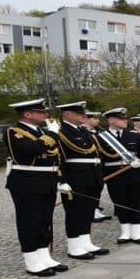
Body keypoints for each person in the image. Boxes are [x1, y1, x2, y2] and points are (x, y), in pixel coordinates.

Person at [4, 99, 68, 276]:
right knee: (29, 221)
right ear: (27, 114)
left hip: (46, 180)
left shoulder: (41, 131)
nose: (45, 115)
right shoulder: (14, 132)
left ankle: (44, 256)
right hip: (26, 182)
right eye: (40, 112)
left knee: (44, 221)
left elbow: (55, 157)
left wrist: (60, 179)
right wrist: (53, 135)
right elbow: (32, 149)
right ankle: (31, 260)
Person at [54, 101, 108, 259]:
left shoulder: (85, 132)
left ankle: (85, 241)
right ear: (68, 114)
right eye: (80, 114)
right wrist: (61, 180)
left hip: (91, 176)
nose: (84, 116)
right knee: (75, 212)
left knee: (87, 211)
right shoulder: (60, 132)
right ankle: (74, 245)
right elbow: (59, 159)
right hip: (75, 177)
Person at [97, 108, 140, 245]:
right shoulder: (101, 137)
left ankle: (137, 232)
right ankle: (125, 231)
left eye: (125, 118)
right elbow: (99, 159)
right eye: (121, 118)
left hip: (135, 173)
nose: (125, 121)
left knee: (136, 202)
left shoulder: (134, 135)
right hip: (114, 175)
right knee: (120, 203)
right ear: (111, 120)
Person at [83, 111, 112, 223]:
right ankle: (91, 211)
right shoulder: (85, 132)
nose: (98, 121)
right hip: (88, 166)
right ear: (86, 119)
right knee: (90, 190)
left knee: (97, 188)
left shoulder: (99, 132)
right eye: (94, 118)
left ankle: (95, 209)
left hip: (99, 164)